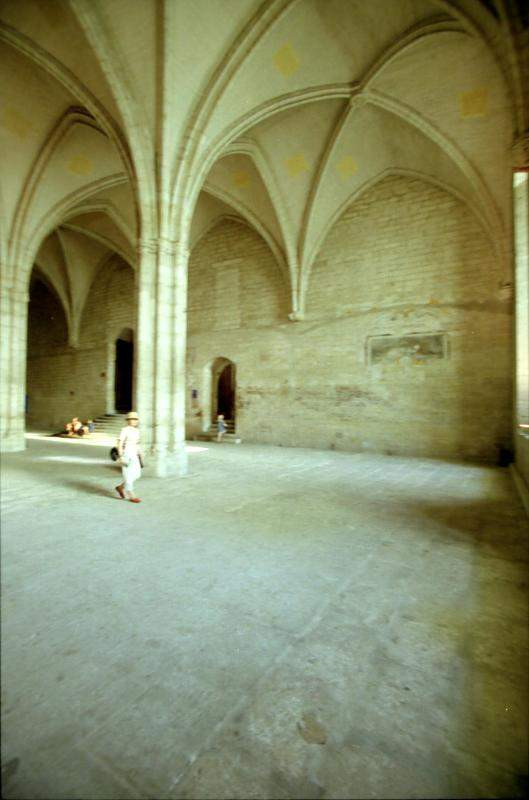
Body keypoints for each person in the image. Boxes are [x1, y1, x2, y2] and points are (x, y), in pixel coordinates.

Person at [115, 411, 143, 503]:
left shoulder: (137, 431)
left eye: (136, 419)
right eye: (132, 419)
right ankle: (131, 495)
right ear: (128, 420)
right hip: (126, 454)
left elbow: (137, 443)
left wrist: (140, 453)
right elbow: (120, 443)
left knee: (137, 474)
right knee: (128, 474)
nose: (134, 421)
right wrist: (121, 455)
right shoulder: (125, 430)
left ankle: (120, 487)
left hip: (134, 454)